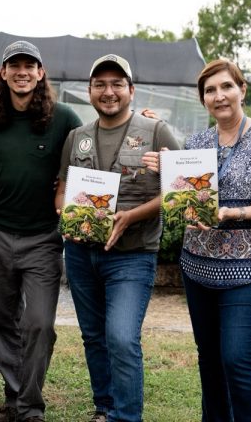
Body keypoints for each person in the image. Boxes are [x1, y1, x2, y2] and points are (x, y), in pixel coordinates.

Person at [143, 58, 251, 421]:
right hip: (197, 265)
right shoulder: (197, 142)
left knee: (237, 358)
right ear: (203, 99)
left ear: (242, 89)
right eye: (210, 90)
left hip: (247, 268)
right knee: (209, 358)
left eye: (226, 86)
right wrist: (171, 175)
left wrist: (235, 213)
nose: (219, 95)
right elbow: (186, 200)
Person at [55, 54, 180, 422]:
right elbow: (61, 191)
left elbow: (181, 190)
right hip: (81, 254)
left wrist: (131, 217)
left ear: (131, 90)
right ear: (90, 91)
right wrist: (70, 214)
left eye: (116, 84)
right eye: (100, 85)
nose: (108, 92)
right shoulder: (77, 137)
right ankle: (105, 407)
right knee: (94, 336)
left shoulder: (156, 132)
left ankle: (126, 416)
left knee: (122, 338)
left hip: (133, 255)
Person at [0, 40, 83, 422]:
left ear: (40, 72)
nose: (22, 72)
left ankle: (30, 408)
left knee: (38, 323)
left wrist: (141, 123)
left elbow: (92, 152)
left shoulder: (63, 117)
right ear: (3, 73)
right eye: (14, 65)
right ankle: (17, 401)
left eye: (29, 65)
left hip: (42, 238)